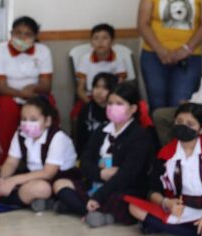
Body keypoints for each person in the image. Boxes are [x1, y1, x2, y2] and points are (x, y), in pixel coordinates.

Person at [128, 103, 202, 236]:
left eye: (190, 124)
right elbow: (154, 189)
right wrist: (166, 203)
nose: (183, 126)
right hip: (179, 208)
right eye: (179, 122)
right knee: (134, 208)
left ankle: (163, 227)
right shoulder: (165, 153)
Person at [53, 82, 155, 227]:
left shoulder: (140, 135)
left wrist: (99, 196)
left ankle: (80, 208)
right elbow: (85, 161)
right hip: (96, 181)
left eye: (119, 104)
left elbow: (127, 174)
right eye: (110, 103)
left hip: (122, 187)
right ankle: (90, 212)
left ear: (133, 108)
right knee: (60, 184)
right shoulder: (101, 130)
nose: (113, 107)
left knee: (122, 201)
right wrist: (100, 174)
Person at [0, 97, 77, 211]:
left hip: (56, 178)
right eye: (24, 119)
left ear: (47, 121)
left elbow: (48, 173)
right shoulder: (20, 134)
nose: (27, 124)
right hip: (31, 175)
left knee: (42, 188)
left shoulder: (58, 137)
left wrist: (14, 181)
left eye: (33, 120)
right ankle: (28, 199)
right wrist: (3, 178)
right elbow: (11, 162)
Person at [0, 16, 54, 167]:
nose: (22, 38)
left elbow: (46, 85)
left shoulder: (43, 51)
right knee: (8, 111)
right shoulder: (0, 52)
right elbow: (1, 87)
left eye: (27, 34)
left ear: (35, 36)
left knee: (47, 106)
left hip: (35, 94)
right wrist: (21, 94)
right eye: (18, 33)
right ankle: (6, 160)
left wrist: (33, 88)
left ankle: (46, 157)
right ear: (11, 33)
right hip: (8, 95)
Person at [72, 24, 127, 116]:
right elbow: (80, 90)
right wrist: (91, 104)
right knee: (76, 115)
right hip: (91, 96)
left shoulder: (118, 59)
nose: (100, 42)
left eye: (105, 38)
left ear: (112, 42)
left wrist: (110, 102)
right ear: (91, 42)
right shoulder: (85, 59)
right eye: (96, 38)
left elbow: (120, 86)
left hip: (111, 97)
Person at [74, 72, 118, 153]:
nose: (99, 92)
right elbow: (81, 140)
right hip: (90, 154)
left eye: (105, 88)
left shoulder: (118, 111)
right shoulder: (86, 110)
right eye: (96, 87)